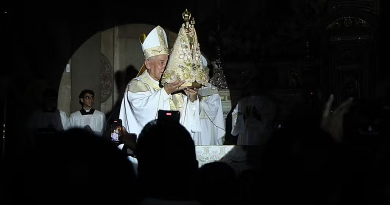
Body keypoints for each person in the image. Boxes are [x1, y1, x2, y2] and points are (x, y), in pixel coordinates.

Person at [119, 25, 200, 138]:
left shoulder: (171, 84)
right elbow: (142, 114)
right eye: (161, 62)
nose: (165, 67)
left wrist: (192, 100)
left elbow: (188, 122)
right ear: (148, 64)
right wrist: (165, 91)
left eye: (168, 63)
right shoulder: (136, 85)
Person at [231, 79, 277, 145]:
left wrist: (259, 117)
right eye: (251, 86)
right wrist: (243, 117)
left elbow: (271, 117)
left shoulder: (267, 102)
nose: (253, 88)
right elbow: (235, 115)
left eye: (255, 86)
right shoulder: (242, 102)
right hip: (245, 133)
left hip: (259, 134)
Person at [192, 55, 225, 145]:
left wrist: (200, 101)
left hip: (208, 123)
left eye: (204, 72)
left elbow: (214, 108)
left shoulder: (212, 89)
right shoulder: (190, 88)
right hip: (194, 124)